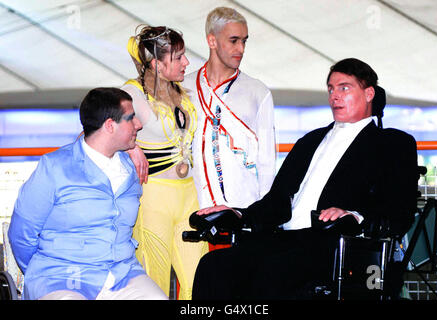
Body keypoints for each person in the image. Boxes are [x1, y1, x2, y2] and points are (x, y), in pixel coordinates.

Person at [192, 58, 418, 299]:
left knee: (271, 271)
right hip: (284, 238)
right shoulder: (309, 142)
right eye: (331, 89)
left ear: (369, 93)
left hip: (333, 243)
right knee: (213, 265)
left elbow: (399, 211)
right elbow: (276, 201)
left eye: (344, 88)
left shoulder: (392, 144)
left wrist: (354, 216)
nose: (334, 96)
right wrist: (238, 214)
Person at [8, 87, 167, 300]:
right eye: (131, 118)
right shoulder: (55, 167)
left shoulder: (131, 166)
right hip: (61, 277)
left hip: (122, 274)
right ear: (110, 125)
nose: (138, 124)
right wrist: (41, 272)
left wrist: (132, 148)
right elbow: (21, 232)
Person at [120, 25, 208, 300]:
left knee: (200, 283)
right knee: (152, 286)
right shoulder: (131, 94)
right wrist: (131, 148)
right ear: (157, 64)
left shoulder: (183, 91)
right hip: (152, 198)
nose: (187, 62)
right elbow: (98, 131)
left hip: (189, 197)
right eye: (179, 57)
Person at [182, 7, 276, 211]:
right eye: (234, 41)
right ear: (212, 41)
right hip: (192, 206)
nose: (241, 49)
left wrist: (263, 212)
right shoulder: (183, 88)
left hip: (243, 209)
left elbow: (267, 160)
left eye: (244, 41)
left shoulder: (258, 92)